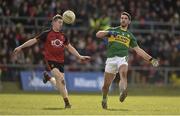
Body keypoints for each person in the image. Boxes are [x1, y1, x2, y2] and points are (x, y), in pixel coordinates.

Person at [13, 14, 91, 108]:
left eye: (62, 23)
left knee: (60, 85)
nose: (61, 24)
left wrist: (79, 56)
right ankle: (67, 104)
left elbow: (70, 47)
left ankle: (49, 79)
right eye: (59, 22)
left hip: (61, 62)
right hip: (50, 60)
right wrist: (21, 47)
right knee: (61, 80)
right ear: (53, 22)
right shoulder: (46, 34)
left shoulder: (63, 36)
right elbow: (33, 40)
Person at [96, 12, 159, 109]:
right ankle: (104, 98)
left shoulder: (130, 36)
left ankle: (122, 92)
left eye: (125, 18)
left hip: (122, 58)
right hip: (111, 59)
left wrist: (151, 59)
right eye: (122, 18)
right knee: (106, 86)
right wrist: (109, 33)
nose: (123, 19)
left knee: (123, 74)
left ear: (129, 21)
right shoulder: (113, 30)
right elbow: (98, 34)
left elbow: (138, 50)